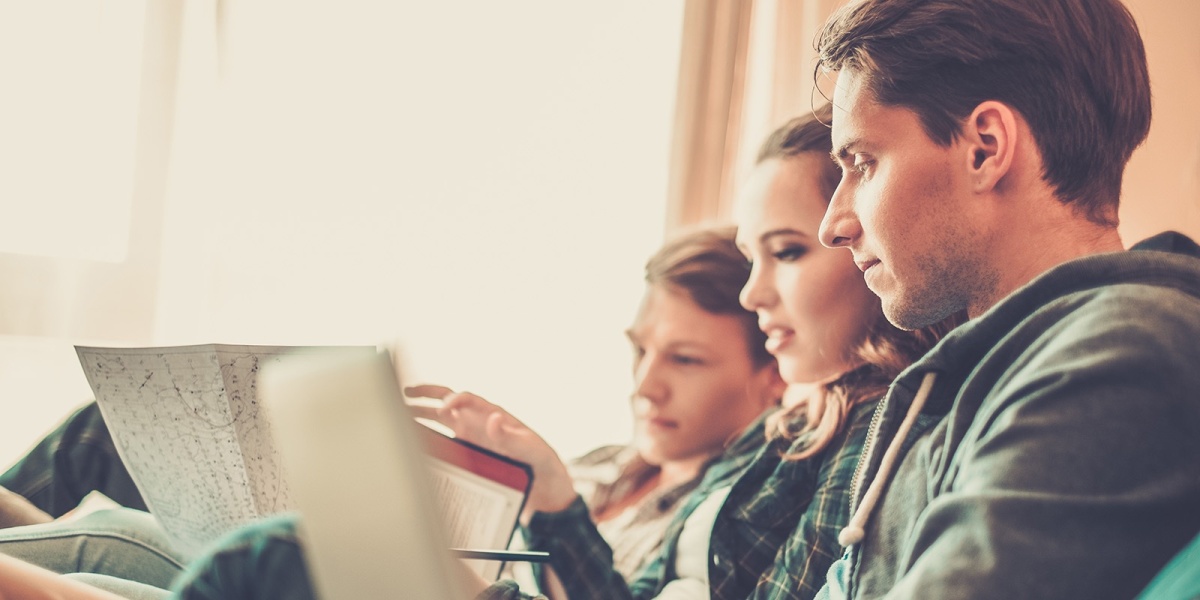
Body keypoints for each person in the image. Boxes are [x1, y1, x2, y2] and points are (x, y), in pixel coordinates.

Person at [0, 225, 785, 596]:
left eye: (685, 361)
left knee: (132, 550)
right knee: (109, 434)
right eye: (639, 349)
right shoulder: (611, 465)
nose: (645, 384)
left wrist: (554, 501)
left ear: (768, 377)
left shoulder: (716, 519)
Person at [418, 104, 959, 600]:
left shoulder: (878, 436)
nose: (753, 294)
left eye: (787, 252)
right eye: (752, 259)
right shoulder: (788, 430)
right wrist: (552, 493)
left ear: (862, 244)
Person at [808, 0, 1200, 598]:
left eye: (862, 162)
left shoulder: (1128, 352)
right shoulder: (978, 371)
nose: (833, 225)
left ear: (985, 148)